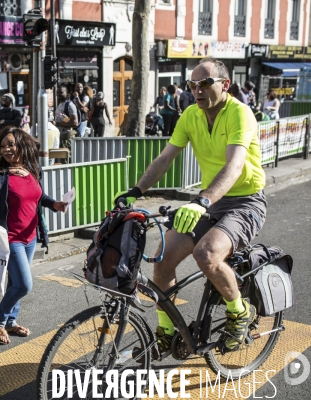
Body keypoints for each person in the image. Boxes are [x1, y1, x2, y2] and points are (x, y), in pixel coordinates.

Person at [115, 57, 266, 355]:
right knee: (162, 258)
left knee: (206, 253)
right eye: (192, 85)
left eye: (205, 83)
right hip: (209, 202)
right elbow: (165, 158)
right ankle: (167, 330)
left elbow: (234, 166)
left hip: (245, 203)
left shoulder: (241, 114)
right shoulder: (190, 116)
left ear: (225, 85)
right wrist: (135, 191)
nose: (197, 90)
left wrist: (202, 201)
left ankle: (239, 311)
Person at [0, 127, 67, 345]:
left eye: (11, 144)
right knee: (24, 285)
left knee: (16, 281)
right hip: (10, 237)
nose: (6, 149)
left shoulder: (33, 168)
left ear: (22, 145)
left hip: (30, 236)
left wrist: (55, 204)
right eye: (3, 146)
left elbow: (39, 196)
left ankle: (11, 321)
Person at [51, 85, 79, 153]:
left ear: (67, 92)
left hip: (67, 137)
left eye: (61, 92)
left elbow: (75, 123)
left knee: (67, 160)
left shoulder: (70, 105)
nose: (58, 94)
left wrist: (57, 123)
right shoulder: (60, 104)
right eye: (57, 93)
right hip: (60, 137)